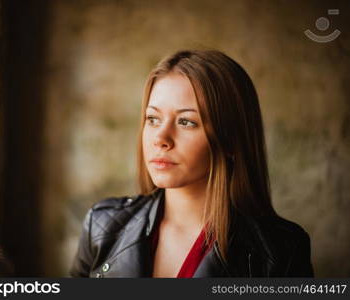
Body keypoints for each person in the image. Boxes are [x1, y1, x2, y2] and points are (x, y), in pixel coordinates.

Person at [69, 50, 314, 278]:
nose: (161, 139)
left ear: (230, 139)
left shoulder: (281, 251)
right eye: (153, 119)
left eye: (186, 122)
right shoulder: (102, 226)